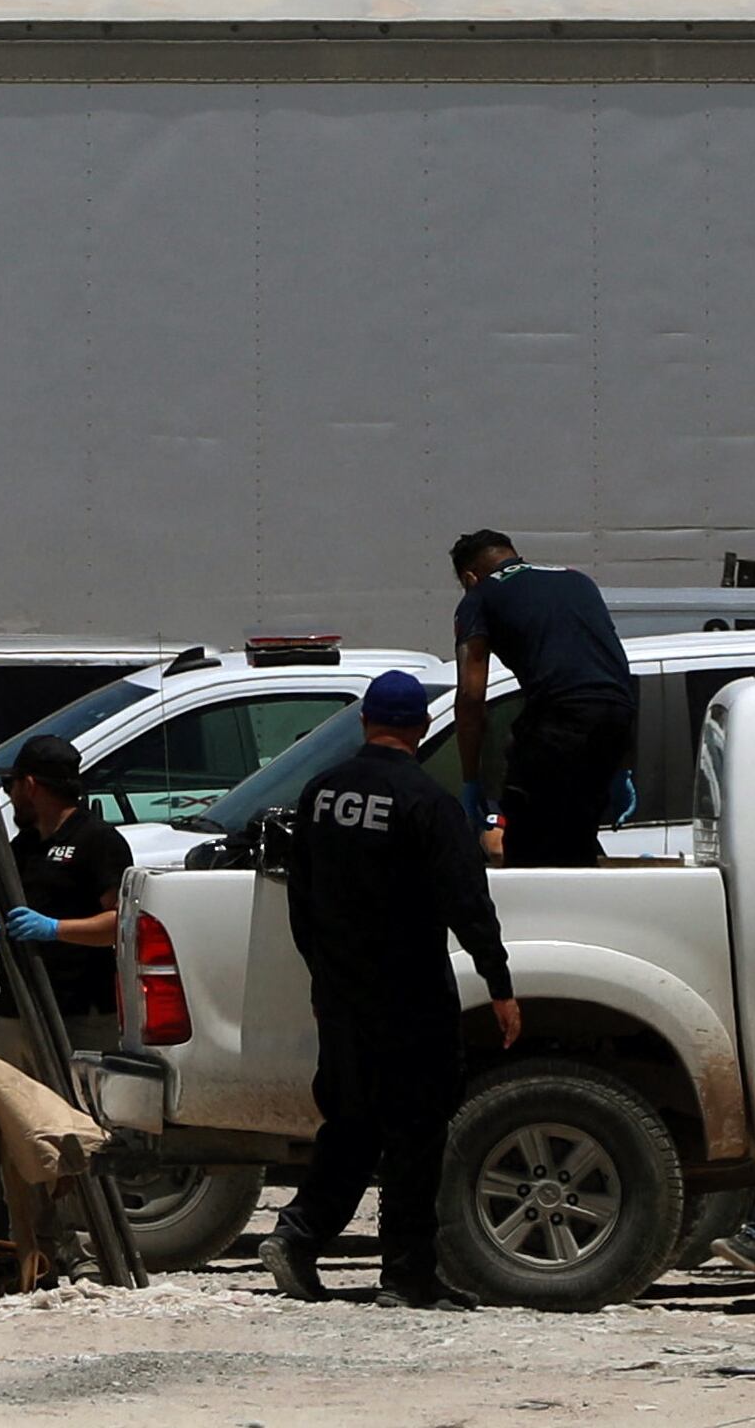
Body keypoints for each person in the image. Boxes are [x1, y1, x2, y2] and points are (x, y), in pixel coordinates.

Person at [262, 669, 519, 1311]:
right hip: (410, 997)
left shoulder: (320, 793)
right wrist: (499, 983)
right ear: (422, 728)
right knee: (416, 1130)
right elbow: (468, 901)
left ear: (364, 721)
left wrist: (323, 973)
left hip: (341, 996)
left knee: (352, 1122)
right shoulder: (426, 801)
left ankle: (299, 1234)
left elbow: (302, 897)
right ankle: (406, 1275)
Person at [450, 530, 637, 866]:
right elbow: (614, 668)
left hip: (559, 721)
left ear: (469, 577)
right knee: (575, 835)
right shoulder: (578, 581)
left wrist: (471, 779)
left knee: (528, 845)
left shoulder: (480, 596)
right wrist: (622, 764)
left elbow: (471, 697)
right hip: (616, 715)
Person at [0, 734, 131, 1027]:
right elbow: (4, 903)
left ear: (29, 785)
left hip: (80, 1013)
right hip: (17, 1007)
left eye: (10, 785)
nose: (10, 795)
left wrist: (53, 929)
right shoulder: (23, 846)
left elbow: (121, 924)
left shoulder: (98, 840)